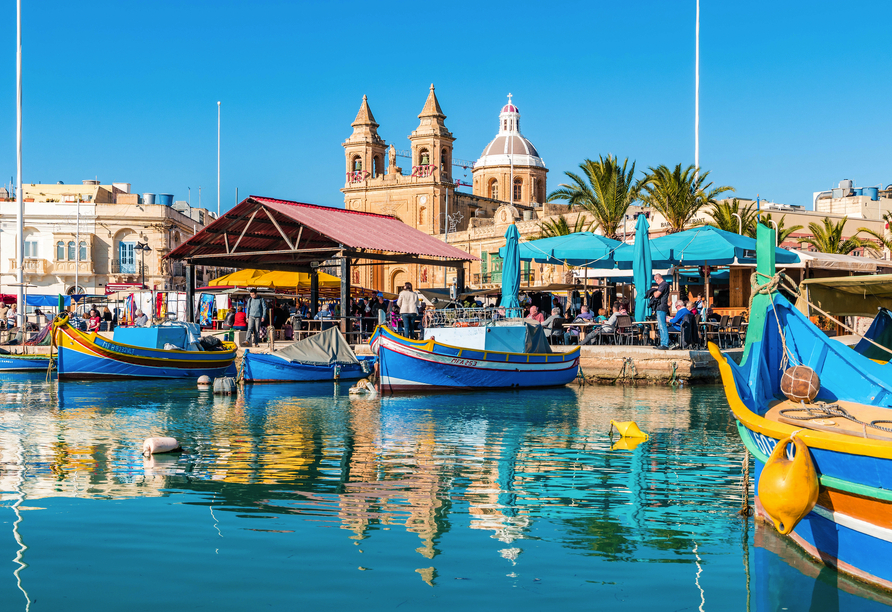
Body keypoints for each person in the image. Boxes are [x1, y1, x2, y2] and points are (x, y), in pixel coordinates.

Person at [653, 273, 670, 350]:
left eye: (655, 280)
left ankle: (665, 344)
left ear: (657, 278)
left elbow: (656, 295)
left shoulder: (663, 284)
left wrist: (653, 292)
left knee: (662, 326)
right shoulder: (665, 284)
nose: (656, 282)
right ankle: (663, 343)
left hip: (661, 307)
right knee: (661, 326)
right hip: (661, 307)